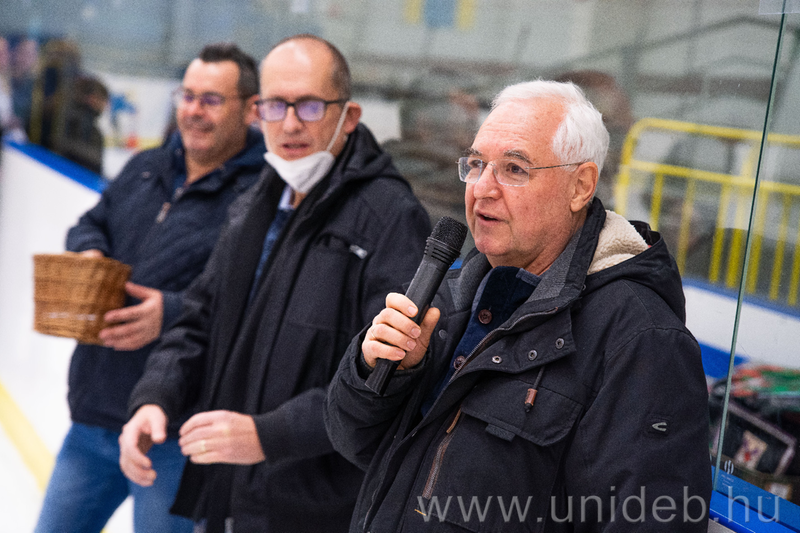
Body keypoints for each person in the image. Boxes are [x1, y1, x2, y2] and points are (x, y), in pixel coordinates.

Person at [325, 80, 712, 532]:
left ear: (580, 186)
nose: (482, 189)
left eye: (514, 169)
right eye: (476, 164)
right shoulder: (451, 292)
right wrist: (380, 374)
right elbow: (355, 444)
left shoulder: (641, 341)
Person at [120, 34, 430, 533]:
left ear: (349, 116)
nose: (289, 124)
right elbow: (200, 319)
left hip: (314, 510)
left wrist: (269, 436)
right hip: (229, 493)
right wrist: (154, 396)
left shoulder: (390, 219)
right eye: (274, 106)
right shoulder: (254, 204)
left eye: (309, 106)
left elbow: (385, 382)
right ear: (256, 111)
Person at [35, 42, 264, 533]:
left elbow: (260, 301)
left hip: (175, 430)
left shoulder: (263, 195)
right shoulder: (147, 166)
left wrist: (172, 312)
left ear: (250, 109)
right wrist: (91, 252)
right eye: (188, 96)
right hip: (95, 412)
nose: (194, 111)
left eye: (211, 100)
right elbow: (89, 223)